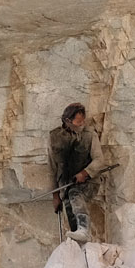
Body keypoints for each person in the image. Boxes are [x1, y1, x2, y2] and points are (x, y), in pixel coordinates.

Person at [49, 102, 106, 240]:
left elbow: (100, 160)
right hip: (66, 184)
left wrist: (85, 173)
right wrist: (55, 196)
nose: (81, 125)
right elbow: (52, 168)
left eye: (83, 122)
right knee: (68, 203)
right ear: (67, 121)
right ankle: (78, 237)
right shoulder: (55, 137)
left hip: (89, 182)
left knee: (75, 194)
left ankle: (84, 230)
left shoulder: (90, 135)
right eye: (78, 122)